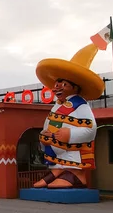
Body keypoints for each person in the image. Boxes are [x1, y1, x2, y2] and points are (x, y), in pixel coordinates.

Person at [33, 43, 105, 189]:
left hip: (73, 153)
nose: (56, 87)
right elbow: (50, 122)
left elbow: (91, 129)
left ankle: (76, 175)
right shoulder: (58, 105)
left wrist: (70, 134)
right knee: (58, 160)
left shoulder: (81, 105)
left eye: (63, 84)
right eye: (56, 84)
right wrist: (44, 135)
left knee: (72, 158)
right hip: (56, 152)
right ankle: (57, 171)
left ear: (75, 86)